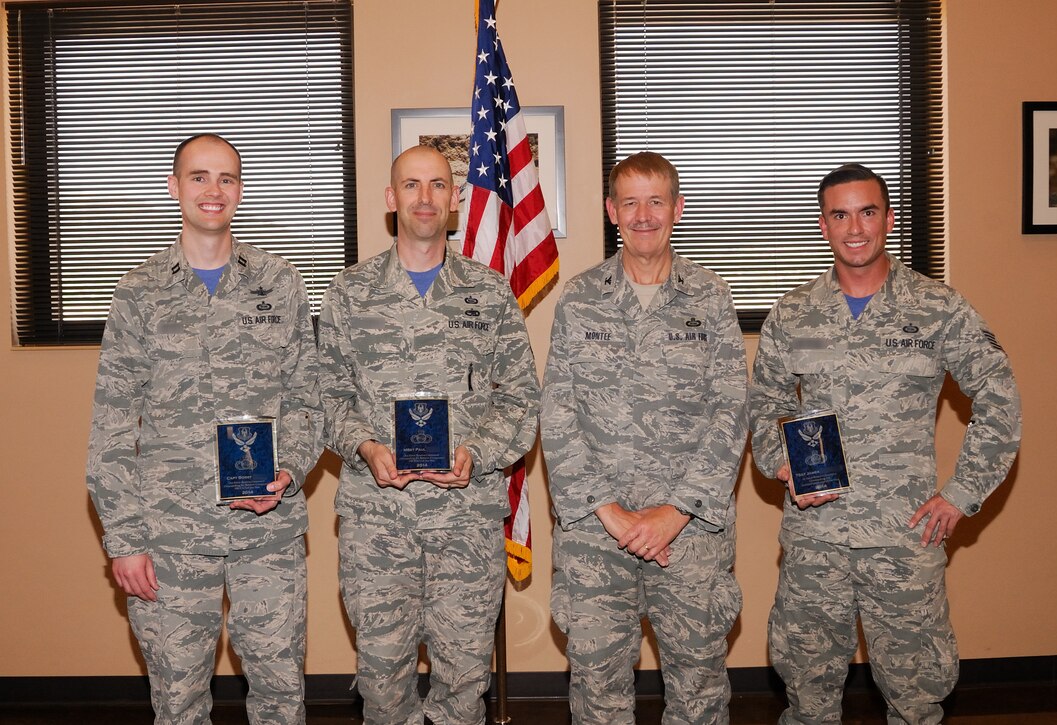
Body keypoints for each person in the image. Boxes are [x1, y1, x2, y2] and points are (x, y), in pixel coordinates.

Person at [749, 163, 1022, 725]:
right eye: (840, 214)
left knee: (916, 702)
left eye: (868, 212)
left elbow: (999, 395)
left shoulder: (937, 308)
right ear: (823, 225)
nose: (855, 227)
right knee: (807, 700)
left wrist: (962, 493)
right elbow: (765, 402)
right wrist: (781, 462)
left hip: (904, 539)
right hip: (814, 539)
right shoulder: (793, 313)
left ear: (889, 221)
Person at [86, 133, 323, 723]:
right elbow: (112, 424)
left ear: (239, 192)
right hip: (168, 537)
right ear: (175, 187)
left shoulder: (281, 283)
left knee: (279, 697)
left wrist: (289, 468)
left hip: (266, 532)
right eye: (199, 177)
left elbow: (307, 397)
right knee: (178, 701)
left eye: (226, 178)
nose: (213, 190)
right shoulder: (139, 293)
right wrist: (125, 538)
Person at [318, 145, 540, 725]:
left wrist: (477, 452)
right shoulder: (349, 294)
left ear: (456, 200)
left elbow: (520, 397)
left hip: (464, 521)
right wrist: (366, 447)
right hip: (377, 524)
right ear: (391, 200)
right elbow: (326, 398)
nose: (425, 198)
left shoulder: (489, 294)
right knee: (382, 683)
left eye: (438, 185)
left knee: (464, 686)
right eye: (411, 185)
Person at [541, 152, 748, 724]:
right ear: (612, 211)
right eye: (629, 202)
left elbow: (731, 412)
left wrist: (674, 512)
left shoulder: (710, 297)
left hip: (690, 537)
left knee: (698, 690)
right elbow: (557, 414)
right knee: (598, 691)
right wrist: (609, 511)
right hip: (594, 536)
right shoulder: (580, 298)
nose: (643, 214)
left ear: (677, 208)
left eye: (656, 200)